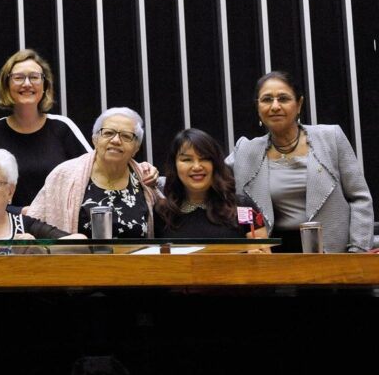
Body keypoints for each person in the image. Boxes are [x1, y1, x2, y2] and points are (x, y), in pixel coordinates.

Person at [229, 71, 372, 252]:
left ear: (299, 104)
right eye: (266, 100)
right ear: (258, 108)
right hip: (271, 259)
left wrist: (358, 251)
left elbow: (360, 198)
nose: (275, 106)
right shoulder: (245, 150)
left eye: (283, 98)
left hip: (333, 257)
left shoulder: (331, 138)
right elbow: (209, 174)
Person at [0, 49, 90, 210]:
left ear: (45, 85)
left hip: (58, 227)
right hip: (9, 227)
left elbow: (95, 172)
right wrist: (20, 212)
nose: (27, 84)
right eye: (18, 78)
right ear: (6, 85)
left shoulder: (63, 127)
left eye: (34, 77)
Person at [27, 107, 159, 237]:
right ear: (95, 140)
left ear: (136, 148)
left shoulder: (145, 177)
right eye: (108, 133)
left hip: (137, 258)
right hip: (78, 258)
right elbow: (31, 224)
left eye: (126, 136)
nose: (116, 140)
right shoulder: (64, 174)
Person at [155, 128, 267, 240]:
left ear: (216, 164)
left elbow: (263, 254)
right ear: (174, 166)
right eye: (187, 160)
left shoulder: (243, 207)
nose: (197, 167)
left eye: (204, 159)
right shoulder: (163, 212)